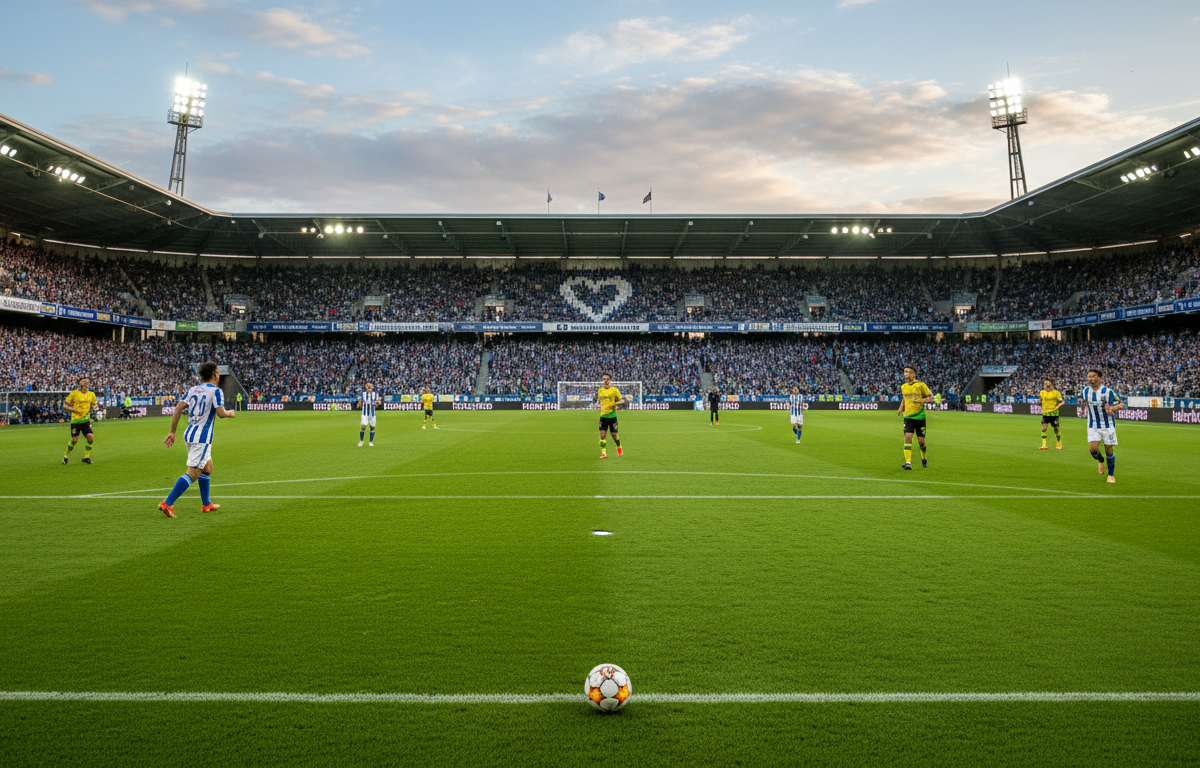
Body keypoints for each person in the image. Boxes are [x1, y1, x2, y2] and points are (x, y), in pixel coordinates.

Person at [159, 362, 236, 518]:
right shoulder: (216, 391)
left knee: (207, 467)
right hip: (202, 437)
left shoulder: (193, 389)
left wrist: (172, 432)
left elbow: (179, 408)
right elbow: (221, 413)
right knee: (193, 472)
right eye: (218, 372)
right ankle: (167, 503)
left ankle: (206, 504)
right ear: (215, 373)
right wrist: (230, 413)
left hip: (189, 433)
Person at [1082, 369, 1122, 484]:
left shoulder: (1108, 391)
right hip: (1093, 425)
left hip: (1107, 425)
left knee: (1109, 450)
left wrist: (1112, 409)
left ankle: (1110, 475)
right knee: (1093, 450)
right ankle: (1101, 460)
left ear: (1100, 379)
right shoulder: (1084, 391)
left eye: (1093, 376)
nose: (1090, 378)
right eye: (1089, 376)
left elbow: (1121, 402)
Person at [897, 365, 933, 470]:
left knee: (922, 443)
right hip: (908, 416)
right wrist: (900, 408)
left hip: (920, 417)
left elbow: (931, 398)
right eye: (905, 372)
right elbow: (904, 399)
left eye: (908, 372)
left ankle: (924, 457)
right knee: (907, 438)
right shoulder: (903, 386)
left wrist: (920, 401)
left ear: (913, 374)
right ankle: (908, 462)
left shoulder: (921, 385)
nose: (905, 374)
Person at [62, 377, 98, 465]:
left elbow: (95, 405)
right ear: (81, 384)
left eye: (88, 382)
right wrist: (73, 409)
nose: (87, 384)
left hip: (86, 421)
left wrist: (95, 408)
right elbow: (65, 405)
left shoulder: (91, 394)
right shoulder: (74, 394)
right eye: (85, 382)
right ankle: (65, 456)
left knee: (90, 438)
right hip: (76, 421)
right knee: (74, 440)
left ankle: (86, 457)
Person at [597, 373, 623, 459]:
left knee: (614, 436)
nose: (606, 380)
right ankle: (604, 453)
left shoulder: (614, 390)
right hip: (603, 416)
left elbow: (619, 398)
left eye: (607, 379)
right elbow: (601, 399)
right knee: (602, 436)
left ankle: (619, 447)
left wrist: (614, 403)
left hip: (612, 416)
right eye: (604, 379)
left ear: (610, 380)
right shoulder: (600, 390)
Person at [1038, 378, 1065, 450]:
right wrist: (1039, 402)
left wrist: (1056, 407)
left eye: (1047, 383)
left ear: (1051, 384)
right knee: (1044, 429)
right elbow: (1040, 401)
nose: (1046, 385)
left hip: (1054, 414)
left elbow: (1062, 402)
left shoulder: (1056, 392)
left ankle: (1059, 442)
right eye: (1045, 383)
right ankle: (1044, 445)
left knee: (1056, 429)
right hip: (1046, 413)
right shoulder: (1042, 392)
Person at [357, 382, 380, 446]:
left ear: (372, 388)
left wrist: (377, 403)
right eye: (368, 387)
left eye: (370, 388)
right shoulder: (363, 394)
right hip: (365, 413)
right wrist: (359, 404)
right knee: (363, 426)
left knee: (372, 427)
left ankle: (370, 442)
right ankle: (361, 441)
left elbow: (377, 403)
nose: (369, 389)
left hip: (372, 413)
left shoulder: (375, 394)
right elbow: (360, 401)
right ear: (366, 388)